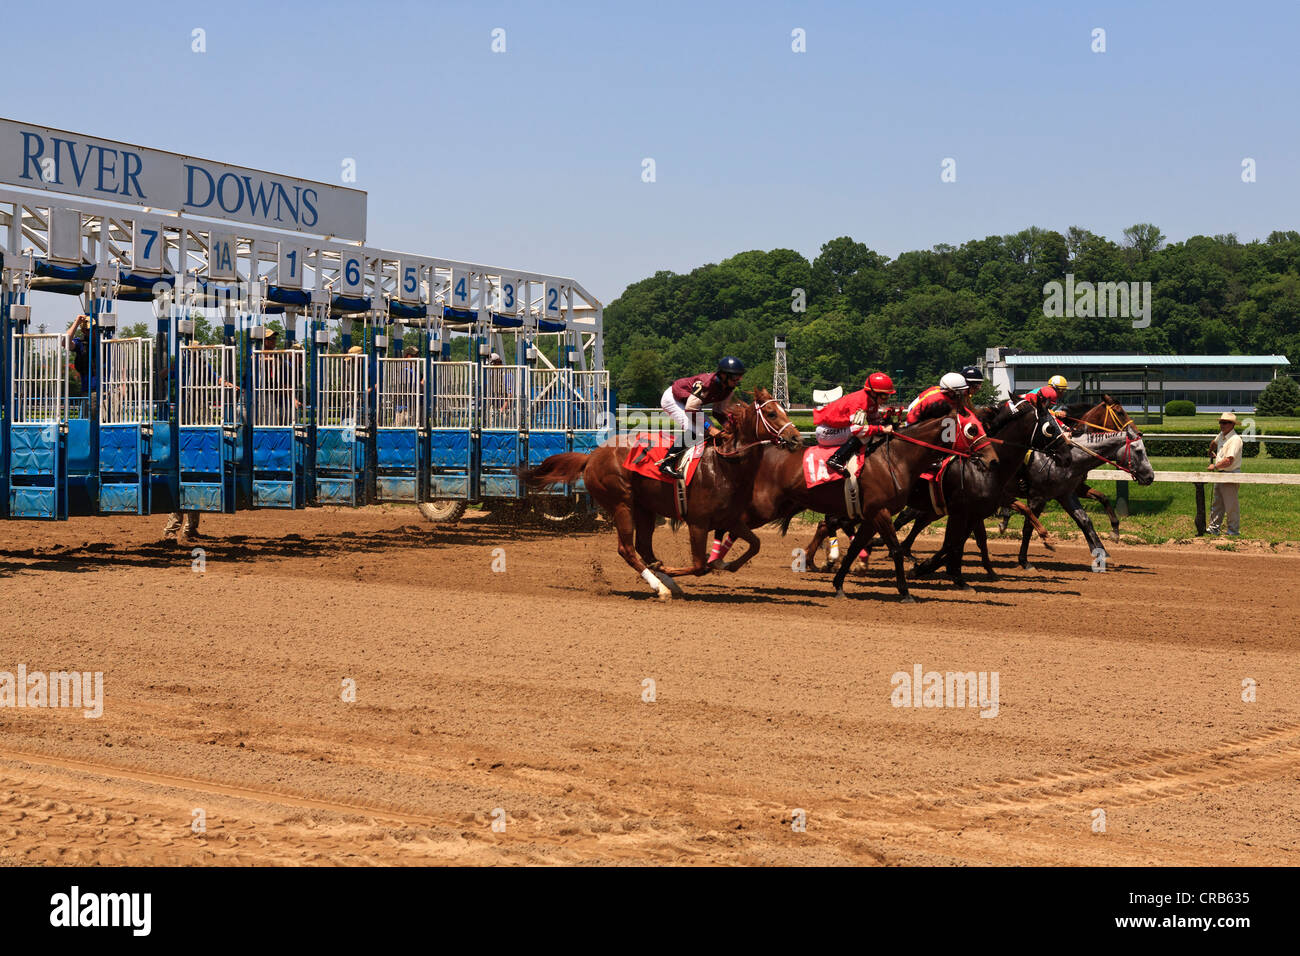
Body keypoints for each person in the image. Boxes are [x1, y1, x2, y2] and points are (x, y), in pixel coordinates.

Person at [658, 357, 745, 477]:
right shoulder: (707, 383)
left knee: (710, 430)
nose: (738, 381)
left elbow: (718, 412)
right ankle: (667, 463)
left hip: (689, 403)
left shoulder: (728, 389)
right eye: (736, 377)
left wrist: (728, 427)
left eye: (739, 377)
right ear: (724, 376)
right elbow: (690, 409)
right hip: (673, 399)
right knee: (698, 430)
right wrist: (710, 428)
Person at [814, 371, 897, 475]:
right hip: (825, 432)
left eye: (888, 396)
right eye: (884, 396)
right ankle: (836, 459)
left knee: (871, 432)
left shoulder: (872, 402)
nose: (886, 400)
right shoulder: (860, 401)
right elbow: (857, 430)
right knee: (864, 435)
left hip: (837, 429)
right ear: (873, 393)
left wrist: (887, 421)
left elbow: (875, 423)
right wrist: (882, 429)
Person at [1207, 411, 1243, 536]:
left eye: (1226, 423)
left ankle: (1233, 531)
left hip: (1230, 474)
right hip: (1221, 473)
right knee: (1217, 503)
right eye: (1221, 422)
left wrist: (1214, 466)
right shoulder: (1222, 435)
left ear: (1232, 424)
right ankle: (1213, 528)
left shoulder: (1235, 440)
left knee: (1230, 505)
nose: (1222, 425)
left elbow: (1229, 460)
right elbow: (1214, 442)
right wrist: (1210, 450)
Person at [905, 371, 974, 424]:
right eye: (960, 391)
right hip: (914, 417)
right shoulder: (934, 399)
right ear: (951, 391)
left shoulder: (952, 397)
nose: (963, 393)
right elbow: (911, 418)